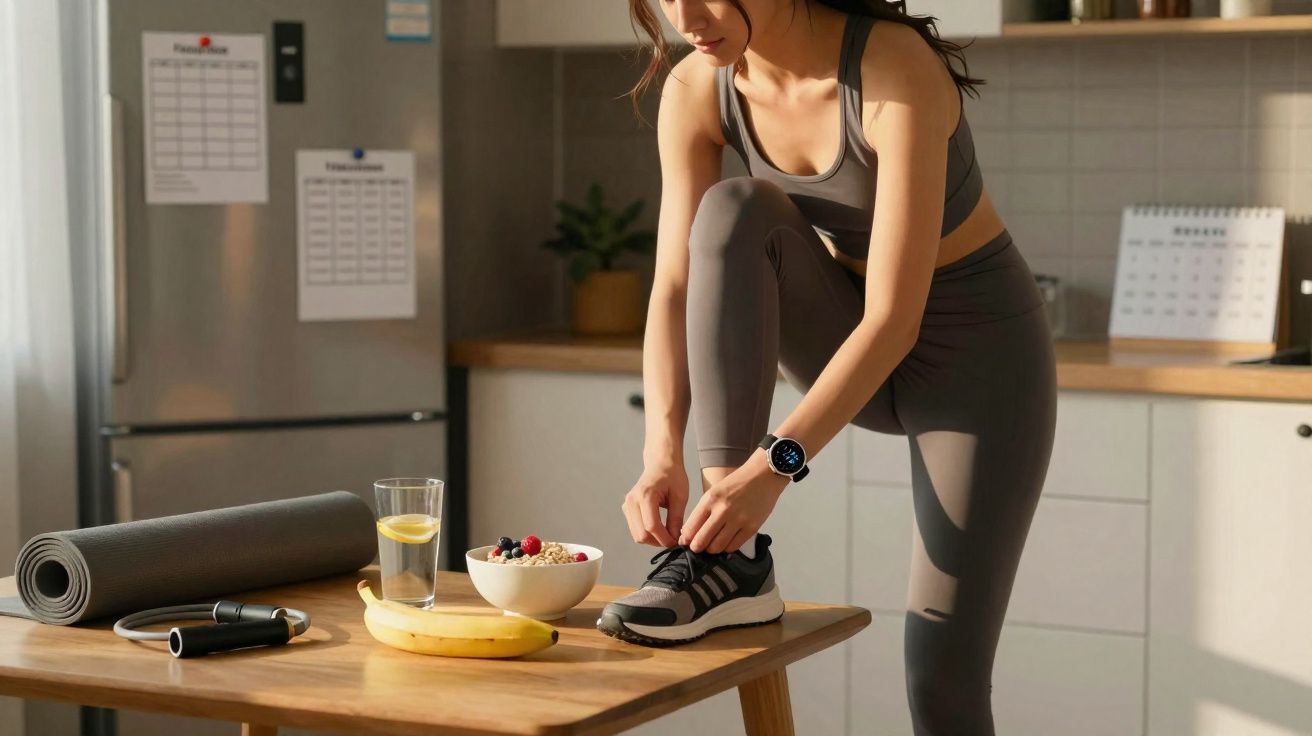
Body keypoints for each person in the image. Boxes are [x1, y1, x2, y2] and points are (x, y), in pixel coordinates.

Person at [595, 2, 1057, 733]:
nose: (686, 16)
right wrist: (660, 455)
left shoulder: (892, 66)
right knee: (733, 210)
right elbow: (676, 285)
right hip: (844, 330)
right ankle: (729, 558)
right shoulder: (698, 87)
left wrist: (775, 465)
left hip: (978, 362)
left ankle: (737, 533)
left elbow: (895, 320)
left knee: (941, 677)